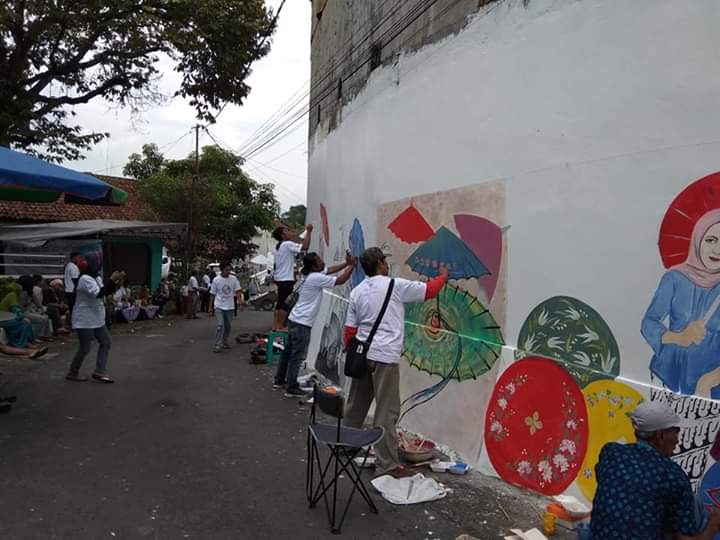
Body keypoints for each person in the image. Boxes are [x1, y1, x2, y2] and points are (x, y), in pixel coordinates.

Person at [342, 247, 447, 478]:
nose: (387, 264)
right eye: (385, 261)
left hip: (362, 353)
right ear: (380, 263)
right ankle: (387, 464)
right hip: (385, 356)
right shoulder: (395, 286)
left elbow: (349, 330)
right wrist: (443, 276)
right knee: (386, 411)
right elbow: (429, 290)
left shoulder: (357, 291)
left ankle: (346, 444)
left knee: (356, 403)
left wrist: (352, 351)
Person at [591, 401, 720, 539]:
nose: (677, 440)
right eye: (676, 432)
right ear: (661, 435)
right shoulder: (672, 475)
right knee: (695, 505)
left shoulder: (611, 452)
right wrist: (714, 524)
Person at [642, 209, 720, 398]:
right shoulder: (674, 278)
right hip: (666, 378)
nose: (717, 250)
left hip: (710, 389)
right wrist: (678, 337)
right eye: (711, 240)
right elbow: (648, 323)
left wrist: (710, 379)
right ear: (698, 239)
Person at [274, 251, 356, 397]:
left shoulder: (310, 275)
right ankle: (291, 387)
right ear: (314, 265)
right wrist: (352, 266)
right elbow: (340, 280)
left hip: (295, 319)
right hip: (302, 323)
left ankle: (279, 380)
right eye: (319, 260)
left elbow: (329, 270)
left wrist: (346, 263)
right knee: (297, 356)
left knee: (288, 352)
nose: (322, 261)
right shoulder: (315, 278)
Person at [66, 252, 125, 383]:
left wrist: (117, 281)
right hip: (85, 318)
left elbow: (106, 291)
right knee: (85, 347)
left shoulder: (96, 277)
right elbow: (98, 294)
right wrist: (111, 279)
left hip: (97, 317)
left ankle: (100, 371)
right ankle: (73, 372)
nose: (98, 264)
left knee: (106, 342)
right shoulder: (85, 279)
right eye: (96, 262)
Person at [272, 224, 313, 331]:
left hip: (280, 278)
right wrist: (309, 232)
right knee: (285, 304)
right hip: (286, 279)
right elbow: (305, 247)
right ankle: (281, 326)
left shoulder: (278, 246)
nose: (290, 232)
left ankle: (275, 326)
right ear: (283, 235)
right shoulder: (287, 244)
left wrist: (296, 237)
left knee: (280, 303)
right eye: (287, 231)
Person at [210, 262, 243, 353]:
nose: (228, 272)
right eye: (226, 270)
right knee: (220, 325)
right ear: (222, 270)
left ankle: (224, 341)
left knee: (228, 326)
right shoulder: (216, 280)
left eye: (229, 270)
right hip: (219, 306)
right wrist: (210, 307)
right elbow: (212, 294)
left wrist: (240, 303)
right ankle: (217, 344)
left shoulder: (234, 279)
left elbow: (238, 291)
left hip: (230, 306)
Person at [17, 274, 52, 340]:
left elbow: (38, 303)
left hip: (29, 311)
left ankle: (46, 335)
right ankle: (35, 337)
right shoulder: (22, 293)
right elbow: (21, 307)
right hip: (23, 313)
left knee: (46, 317)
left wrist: (42, 310)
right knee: (42, 319)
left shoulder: (31, 292)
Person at [64, 252, 82, 326]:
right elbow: (75, 280)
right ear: (74, 258)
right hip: (72, 290)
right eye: (78, 257)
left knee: (72, 309)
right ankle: (75, 324)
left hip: (68, 290)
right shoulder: (73, 267)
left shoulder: (68, 265)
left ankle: (72, 324)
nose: (79, 259)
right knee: (75, 309)